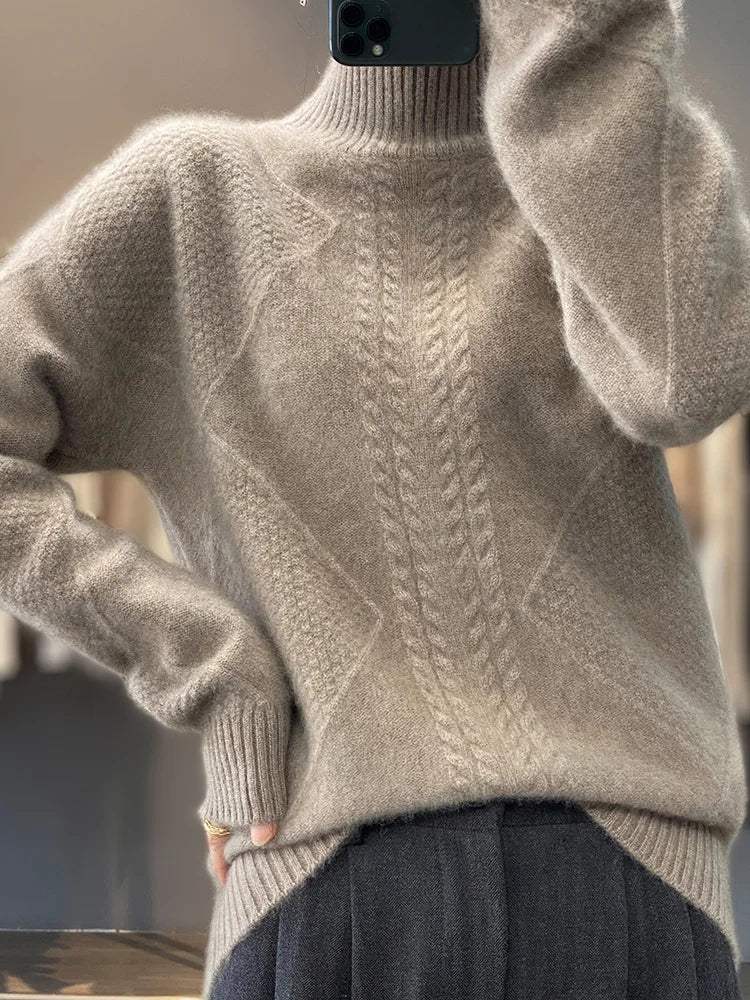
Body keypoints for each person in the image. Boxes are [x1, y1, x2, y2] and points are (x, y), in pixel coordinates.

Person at [1, 0, 747, 996]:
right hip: (321, 879)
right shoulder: (195, 195)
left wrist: (576, 22)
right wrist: (212, 669)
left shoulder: (596, 198)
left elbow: (691, 378)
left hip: (629, 876)